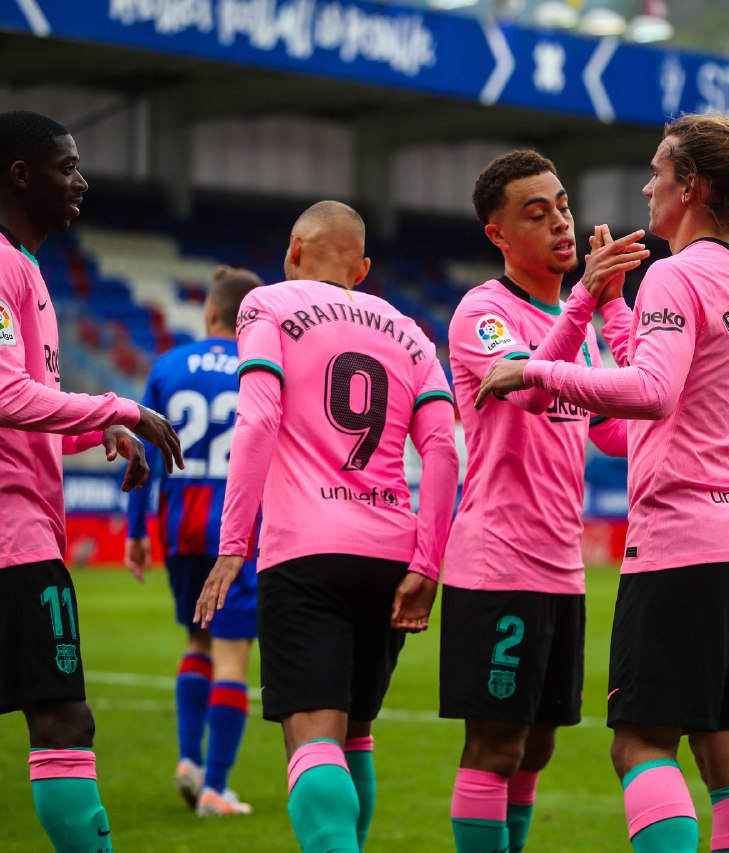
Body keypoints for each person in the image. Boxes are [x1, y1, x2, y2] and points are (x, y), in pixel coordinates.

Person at [478, 113, 729, 853]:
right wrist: (614, 305)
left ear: (691, 188)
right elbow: (671, 396)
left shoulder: (676, 274)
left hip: (685, 543)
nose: (648, 186)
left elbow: (651, 391)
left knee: (642, 743)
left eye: (658, 172)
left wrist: (536, 370)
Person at [193, 200, 460, 853]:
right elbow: (443, 450)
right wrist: (428, 563)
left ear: (293, 249)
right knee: (356, 733)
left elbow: (258, 418)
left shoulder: (266, 304)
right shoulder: (411, 331)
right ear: (361, 269)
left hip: (306, 550)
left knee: (314, 738)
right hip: (390, 552)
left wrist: (233, 544)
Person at [442, 149, 645, 853]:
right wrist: (586, 298)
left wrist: (615, 313)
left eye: (562, 206)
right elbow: (527, 388)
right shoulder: (483, 312)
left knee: (537, 748)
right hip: (498, 563)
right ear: (498, 234)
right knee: (497, 744)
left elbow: (616, 432)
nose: (561, 223)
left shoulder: (574, 323)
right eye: (538, 214)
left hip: (561, 568)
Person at [0, 109, 183, 853]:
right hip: (14, 539)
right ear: (20, 175)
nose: (81, 182)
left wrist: (93, 430)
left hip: (23, 529)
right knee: (64, 720)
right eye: (67, 167)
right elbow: (4, 394)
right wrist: (122, 408)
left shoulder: (26, 267)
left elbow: (25, 410)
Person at [124, 265, 264, 816]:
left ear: (210, 311)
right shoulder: (260, 366)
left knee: (196, 641)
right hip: (238, 530)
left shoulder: (167, 365)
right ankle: (215, 789)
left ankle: (188, 760)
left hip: (180, 523)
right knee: (233, 655)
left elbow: (141, 452)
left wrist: (136, 531)